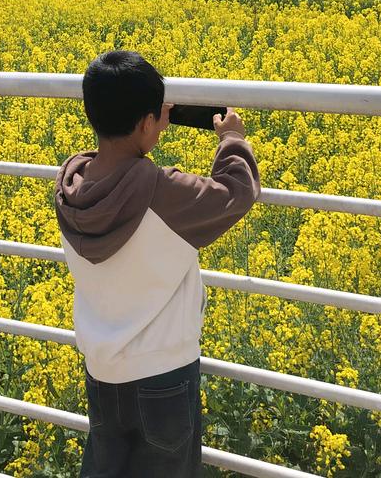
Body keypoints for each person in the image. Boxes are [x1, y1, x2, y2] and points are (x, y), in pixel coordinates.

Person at [54, 50, 260, 478]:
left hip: (102, 373)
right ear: (149, 121)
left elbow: (114, 161)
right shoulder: (161, 193)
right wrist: (232, 139)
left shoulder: (72, 186)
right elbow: (238, 191)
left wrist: (143, 123)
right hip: (165, 377)